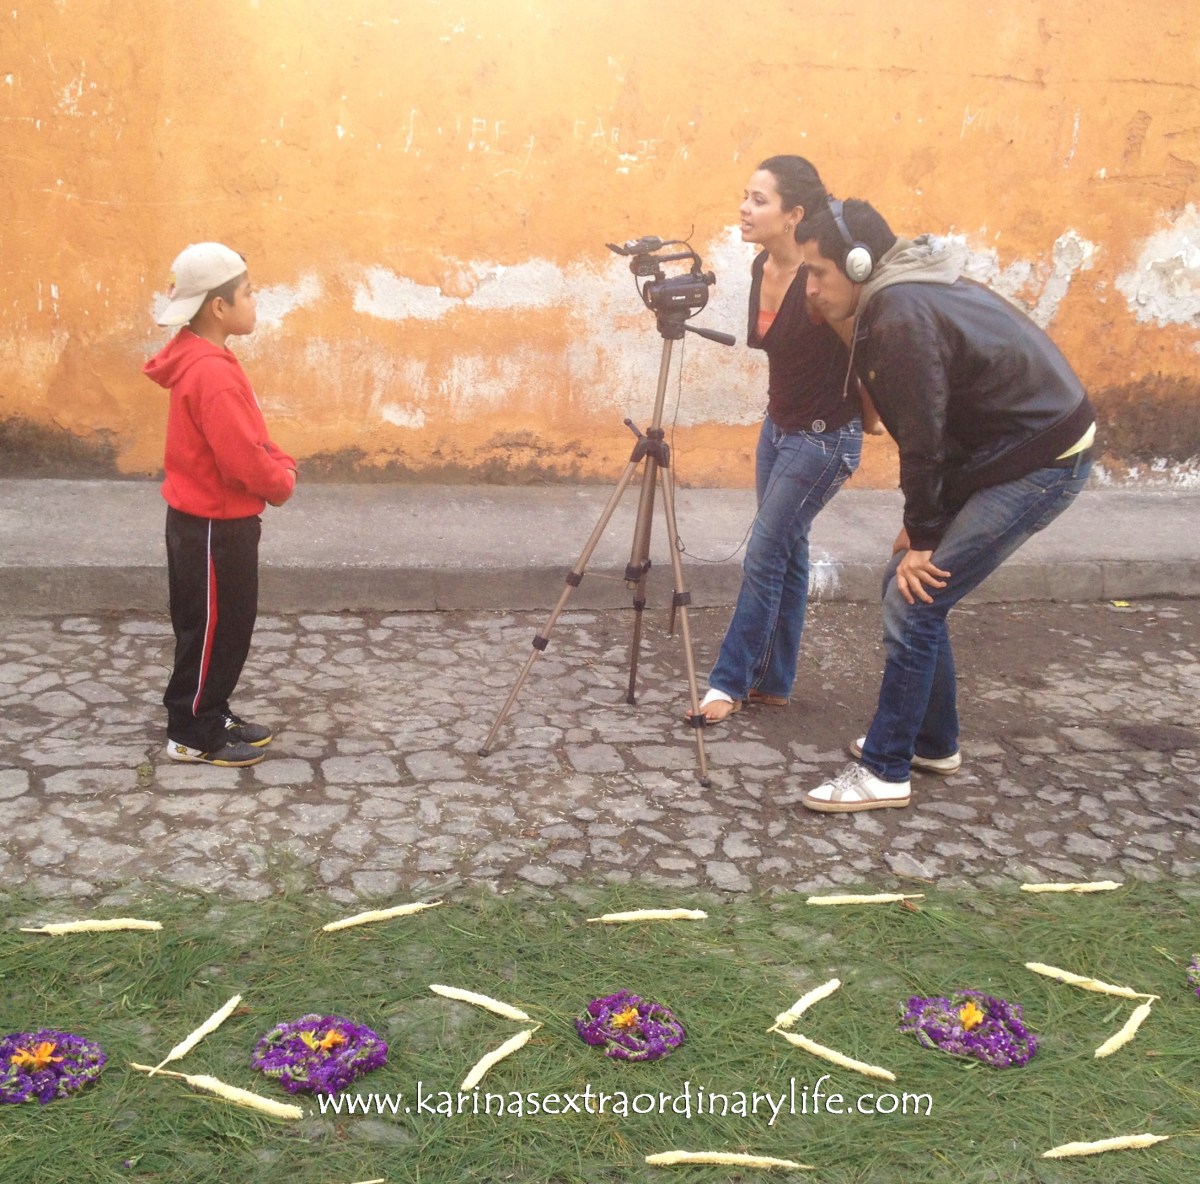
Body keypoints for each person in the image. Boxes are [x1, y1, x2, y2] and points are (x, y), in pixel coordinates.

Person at [796, 199, 1095, 812]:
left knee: (914, 597)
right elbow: (939, 424)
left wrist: (925, 534)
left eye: (819, 273)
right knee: (905, 584)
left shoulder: (900, 313)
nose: (812, 288)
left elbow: (925, 436)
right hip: (1006, 449)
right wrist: (920, 525)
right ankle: (932, 743)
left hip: (1042, 458)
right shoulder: (897, 293)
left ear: (858, 266)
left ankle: (885, 771)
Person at [693, 156, 864, 725]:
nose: (744, 208)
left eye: (759, 200)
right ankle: (774, 681)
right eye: (745, 195)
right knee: (788, 555)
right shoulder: (761, 266)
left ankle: (728, 682)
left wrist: (876, 419)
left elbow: (865, 352)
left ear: (794, 215)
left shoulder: (824, 284)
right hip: (779, 430)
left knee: (765, 554)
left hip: (823, 441)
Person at [143, 242, 298, 767]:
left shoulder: (210, 359)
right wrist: (280, 479)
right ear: (218, 306)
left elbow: (248, 435)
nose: (256, 302)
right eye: (248, 293)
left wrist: (275, 458)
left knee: (227, 625)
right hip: (212, 526)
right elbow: (241, 459)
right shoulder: (211, 372)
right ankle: (192, 731)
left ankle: (211, 708)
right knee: (211, 628)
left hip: (213, 522)